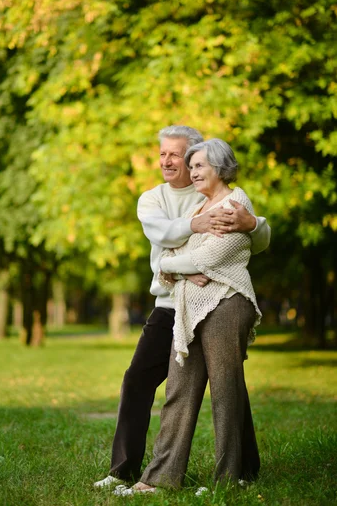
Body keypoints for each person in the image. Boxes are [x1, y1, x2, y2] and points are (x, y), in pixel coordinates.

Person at [94, 126, 270, 489]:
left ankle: (241, 471)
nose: (170, 162)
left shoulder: (213, 192)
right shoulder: (153, 199)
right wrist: (193, 231)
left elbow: (248, 238)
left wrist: (253, 224)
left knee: (229, 385)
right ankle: (126, 471)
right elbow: (166, 237)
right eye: (164, 154)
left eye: (179, 155)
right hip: (170, 305)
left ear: (201, 158)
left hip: (217, 300)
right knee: (141, 378)